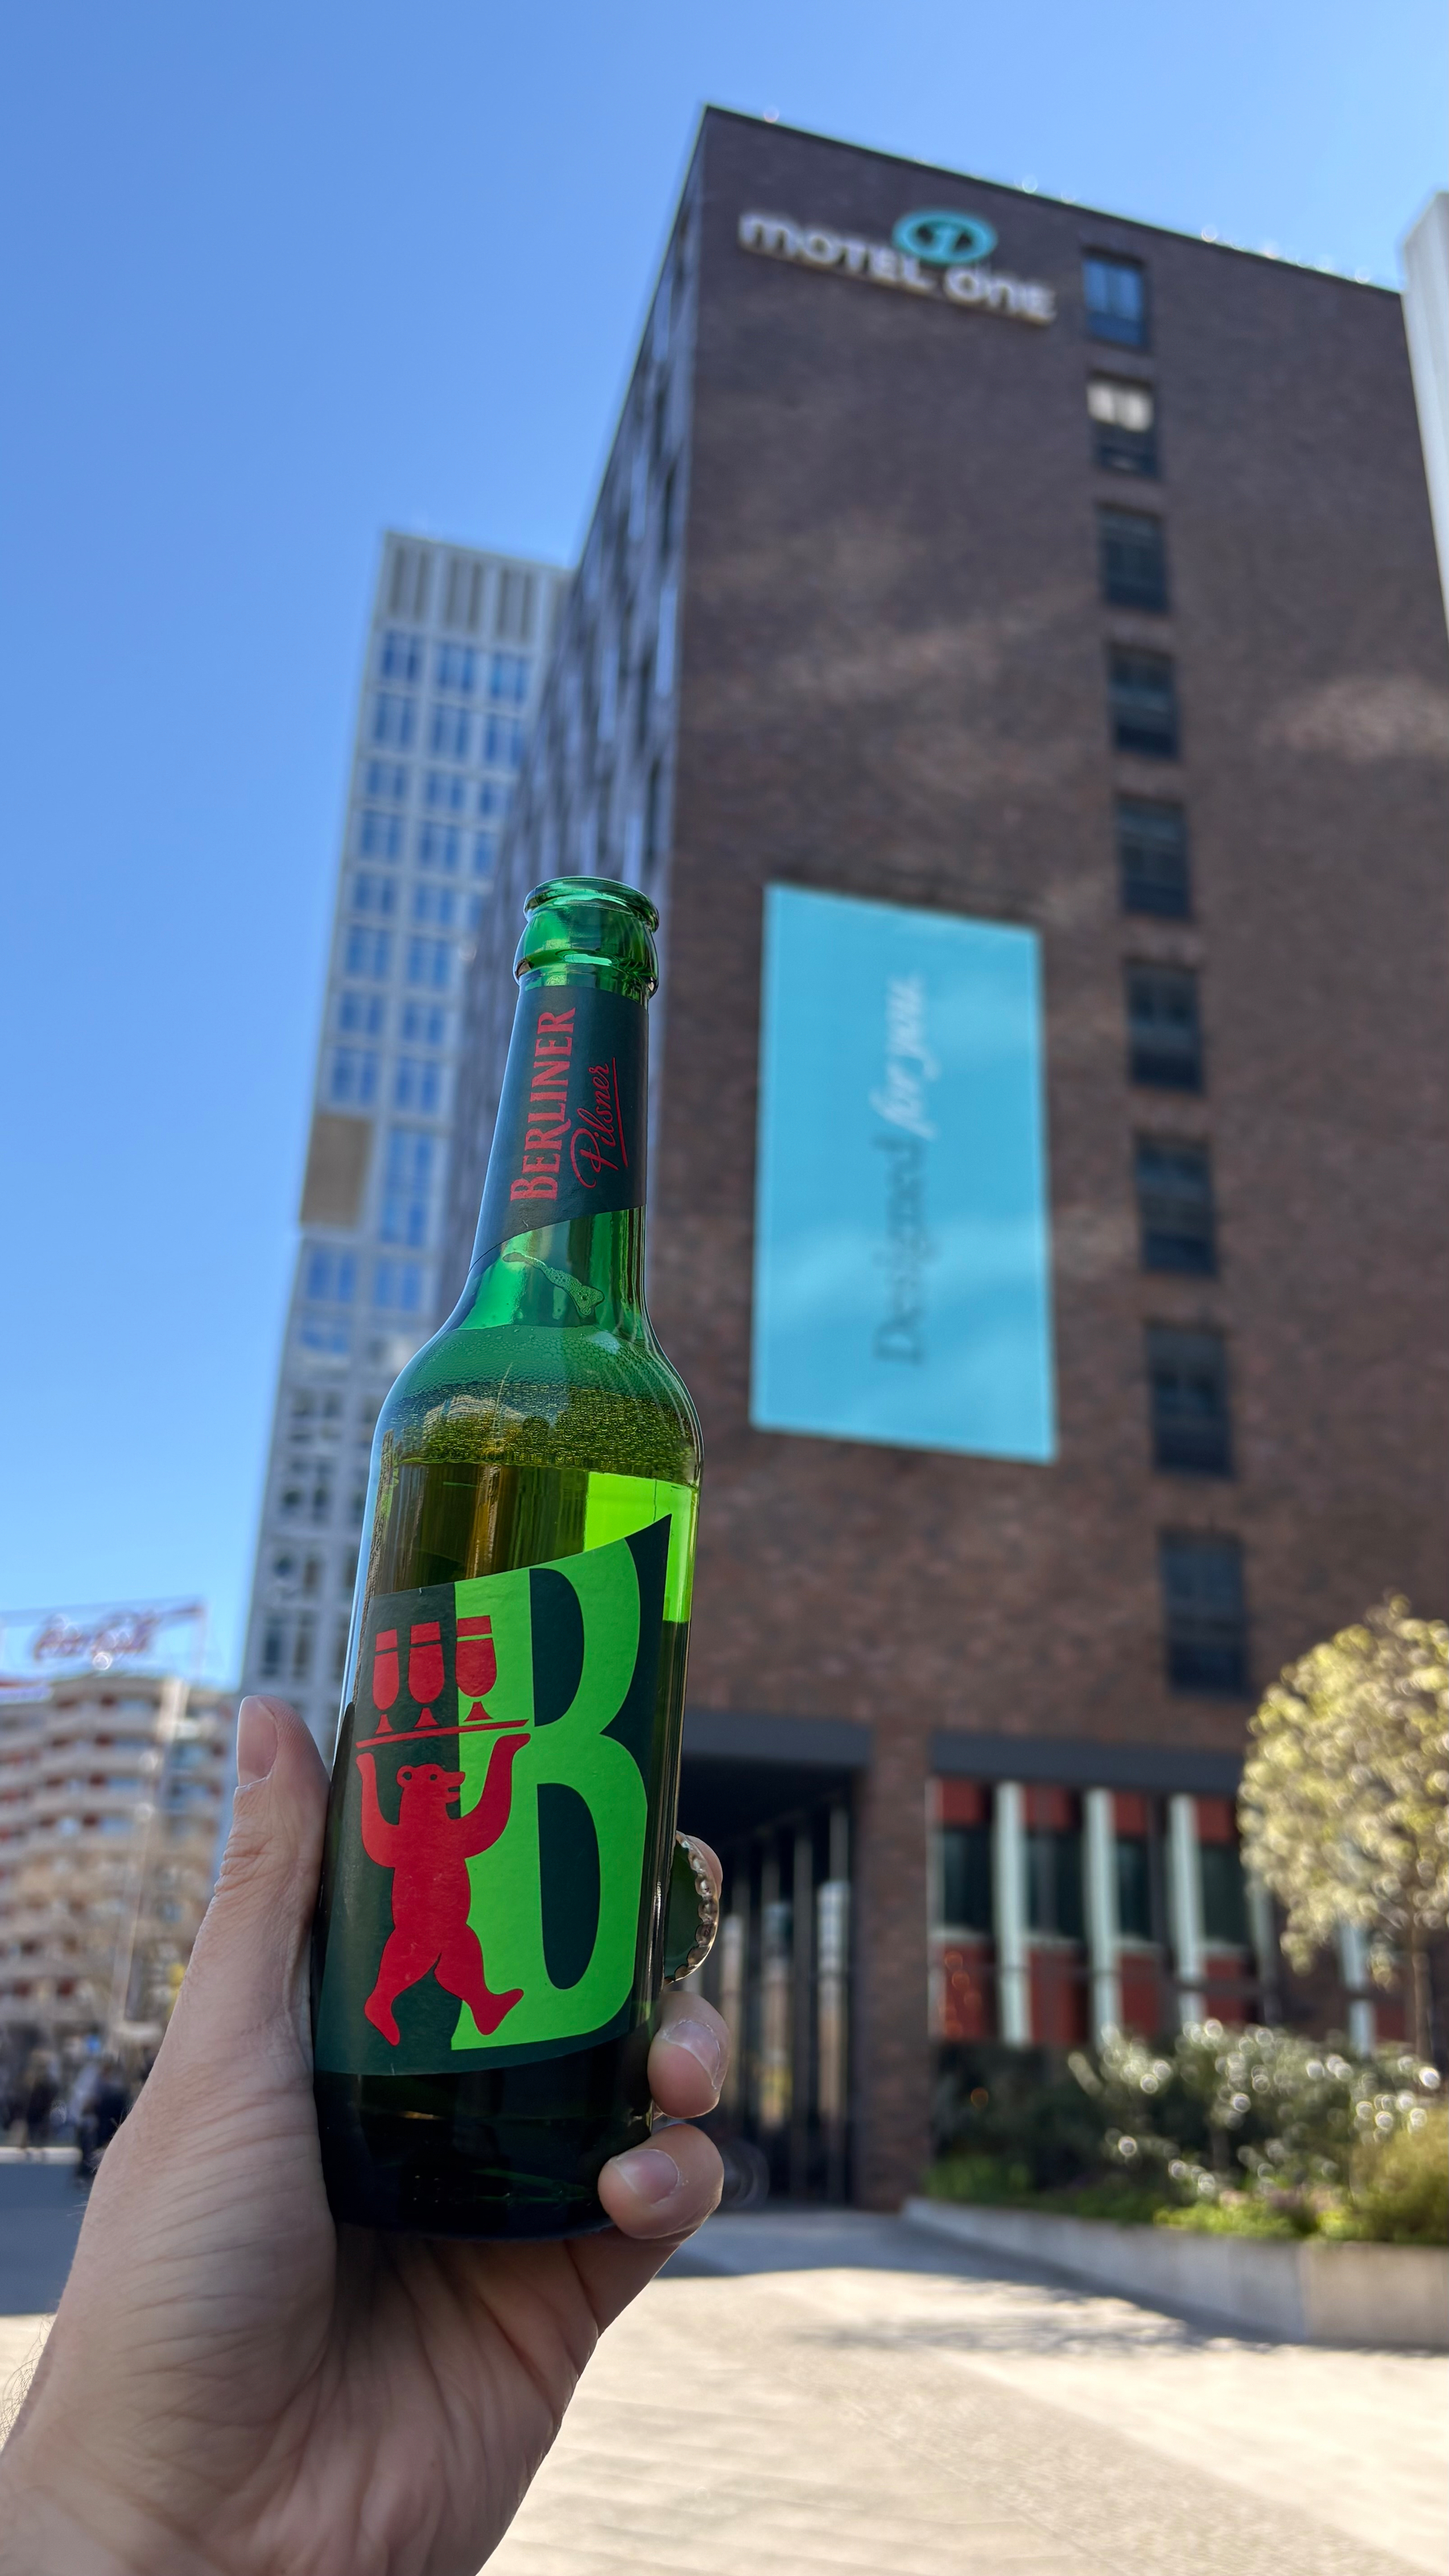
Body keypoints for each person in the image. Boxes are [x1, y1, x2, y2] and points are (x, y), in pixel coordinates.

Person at [0, 1695, 730, 2574]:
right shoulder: (409, 1829)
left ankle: (470, 2002)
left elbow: (489, 1812)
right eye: (426, 1778)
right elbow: (408, 1821)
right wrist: (119, 2505)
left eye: (433, 1779)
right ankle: (425, 2004)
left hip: (449, 1965)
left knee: (455, 1965)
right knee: (409, 1974)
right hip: (408, 1975)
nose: (433, 1785)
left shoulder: (438, 1824)